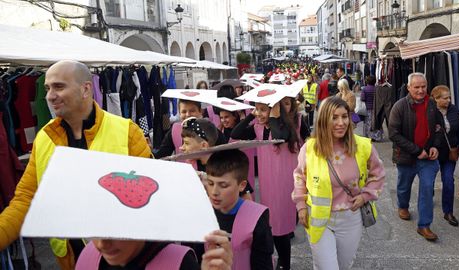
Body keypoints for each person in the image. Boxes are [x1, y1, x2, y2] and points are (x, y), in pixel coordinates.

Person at [0, 60, 152, 269]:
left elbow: (151, 200)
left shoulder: (126, 131)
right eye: (47, 88)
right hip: (71, 258)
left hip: (121, 257)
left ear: (86, 89)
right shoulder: (44, 138)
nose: (49, 96)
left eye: (59, 87)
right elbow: (26, 199)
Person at [292, 96, 385, 270]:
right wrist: (301, 206)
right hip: (319, 218)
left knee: (343, 265)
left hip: (351, 218)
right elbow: (299, 176)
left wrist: (366, 195)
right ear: (323, 120)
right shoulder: (310, 148)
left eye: (344, 117)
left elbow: (378, 174)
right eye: (334, 117)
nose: (341, 122)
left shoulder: (363, 146)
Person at [231, 102, 298, 270]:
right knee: (272, 224)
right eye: (257, 108)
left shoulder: (285, 126)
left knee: (281, 226)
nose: (259, 113)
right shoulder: (257, 128)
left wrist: (274, 116)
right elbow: (236, 133)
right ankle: (282, 261)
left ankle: (285, 263)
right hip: (268, 183)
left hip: (283, 183)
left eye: (263, 109)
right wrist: (251, 115)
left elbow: (279, 138)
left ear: (274, 109)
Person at [388, 72, 443, 241]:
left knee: (427, 188)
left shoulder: (433, 105)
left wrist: (435, 146)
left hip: (427, 158)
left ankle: (424, 225)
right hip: (406, 157)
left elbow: (440, 128)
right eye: (417, 87)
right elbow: (393, 134)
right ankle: (403, 206)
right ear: (409, 87)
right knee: (404, 186)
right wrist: (417, 150)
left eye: (423, 86)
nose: (420, 90)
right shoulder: (399, 106)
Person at [205, 149, 274, 270]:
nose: (214, 192)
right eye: (210, 183)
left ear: (242, 185)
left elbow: (263, 263)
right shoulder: (202, 211)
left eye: (223, 185)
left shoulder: (256, 218)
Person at [76, 230, 233, 269]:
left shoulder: (179, 263)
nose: (102, 244)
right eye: (94, 231)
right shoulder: (88, 256)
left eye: (114, 232)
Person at [430, 85, 459, 227]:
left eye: (449, 97)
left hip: (450, 152)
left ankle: (448, 212)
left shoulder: (454, 109)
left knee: (449, 182)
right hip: (434, 151)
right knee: (429, 180)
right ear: (436, 99)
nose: (449, 100)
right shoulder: (430, 110)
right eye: (445, 98)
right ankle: (429, 197)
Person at [153, 100, 226, 158]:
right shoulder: (174, 131)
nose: (188, 115)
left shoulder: (211, 130)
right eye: (184, 112)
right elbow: (162, 155)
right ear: (179, 113)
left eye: (192, 111)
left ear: (200, 111)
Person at [361, 75, 380, 140]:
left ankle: (367, 135)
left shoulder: (364, 89)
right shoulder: (377, 89)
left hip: (367, 108)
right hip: (376, 108)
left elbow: (362, 99)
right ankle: (375, 136)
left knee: (367, 122)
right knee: (375, 122)